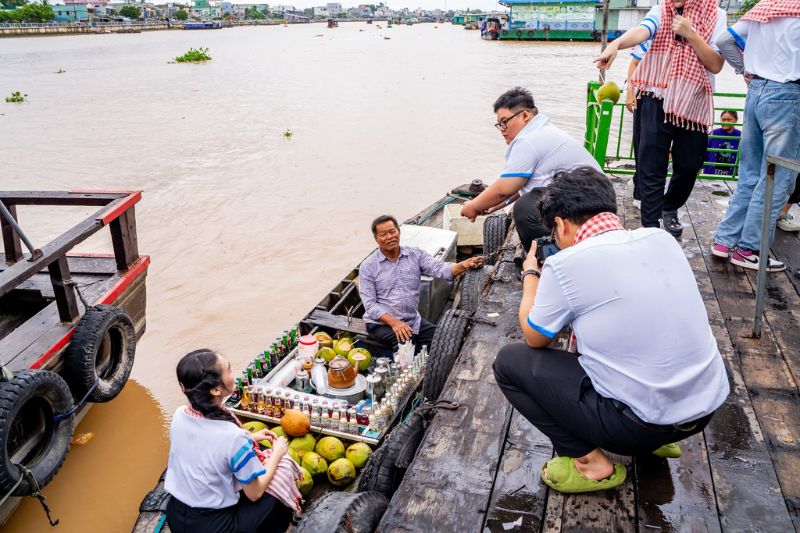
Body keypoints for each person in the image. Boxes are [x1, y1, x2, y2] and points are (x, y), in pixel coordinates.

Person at [492, 166, 729, 494]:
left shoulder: (565, 265)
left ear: (560, 223)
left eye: (554, 231)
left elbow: (535, 336)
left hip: (638, 427)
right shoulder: (659, 238)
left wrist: (531, 274)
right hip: (703, 409)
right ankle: (659, 441)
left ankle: (591, 464)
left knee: (509, 363)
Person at [595, 0, 726, 238]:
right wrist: (616, 44)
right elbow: (642, 31)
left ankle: (670, 206)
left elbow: (716, 64)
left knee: (689, 165)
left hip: (692, 102)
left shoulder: (716, 15)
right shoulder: (660, 10)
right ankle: (651, 228)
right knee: (650, 166)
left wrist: (691, 34)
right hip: (655, 97)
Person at [164, 349, 301, 533]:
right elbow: (255, 493)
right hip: (214, 527)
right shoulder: (233, 437)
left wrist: (250, 438)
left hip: (176, 514)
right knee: (282, 470)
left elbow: (205, 444)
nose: (232, 374)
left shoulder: (180, 415)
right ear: (215, 389)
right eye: (228, 370)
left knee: (254, 452)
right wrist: (277, 453)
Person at [711, 0, 800, 272]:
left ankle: (725, 241)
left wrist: (746, 70)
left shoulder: (765, 9)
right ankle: (749, 249)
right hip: (787, 96)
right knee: (777, 178)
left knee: (750, 173)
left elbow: (724, 41)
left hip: (757, 92)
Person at [460, 87, 602, 251]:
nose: (502, 130)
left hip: (588, 209)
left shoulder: (528, 140)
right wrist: (496, 205)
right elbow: (524, 183)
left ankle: (548, 259)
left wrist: (473, 206)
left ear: (525, 116)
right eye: (499, 124)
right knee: (529, 200)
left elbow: (504, 188)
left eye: (505, 122)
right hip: (594, 201)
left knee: (524, 209)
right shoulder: (541, 131)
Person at [359, 215, 483, 350]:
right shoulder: (368, 266)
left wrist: (464, 265)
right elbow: (370, 305)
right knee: (406, 341)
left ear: (399, 232)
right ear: (376, 239)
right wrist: (395, 323)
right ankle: (404, 369)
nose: (390, 237)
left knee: (445, 339)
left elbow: (440, 268)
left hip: (412, 320)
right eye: (383, 234)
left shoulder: (415, 255)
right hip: (381, 324)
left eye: (392, 231)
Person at [703, 110, 741, 176]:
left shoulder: (740, 135)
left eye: (729, 120)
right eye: (723, 119)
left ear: (736, 120)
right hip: (711, 175)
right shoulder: (713, 133)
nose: (725, 122)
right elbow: (704, 152)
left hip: (730, 177)